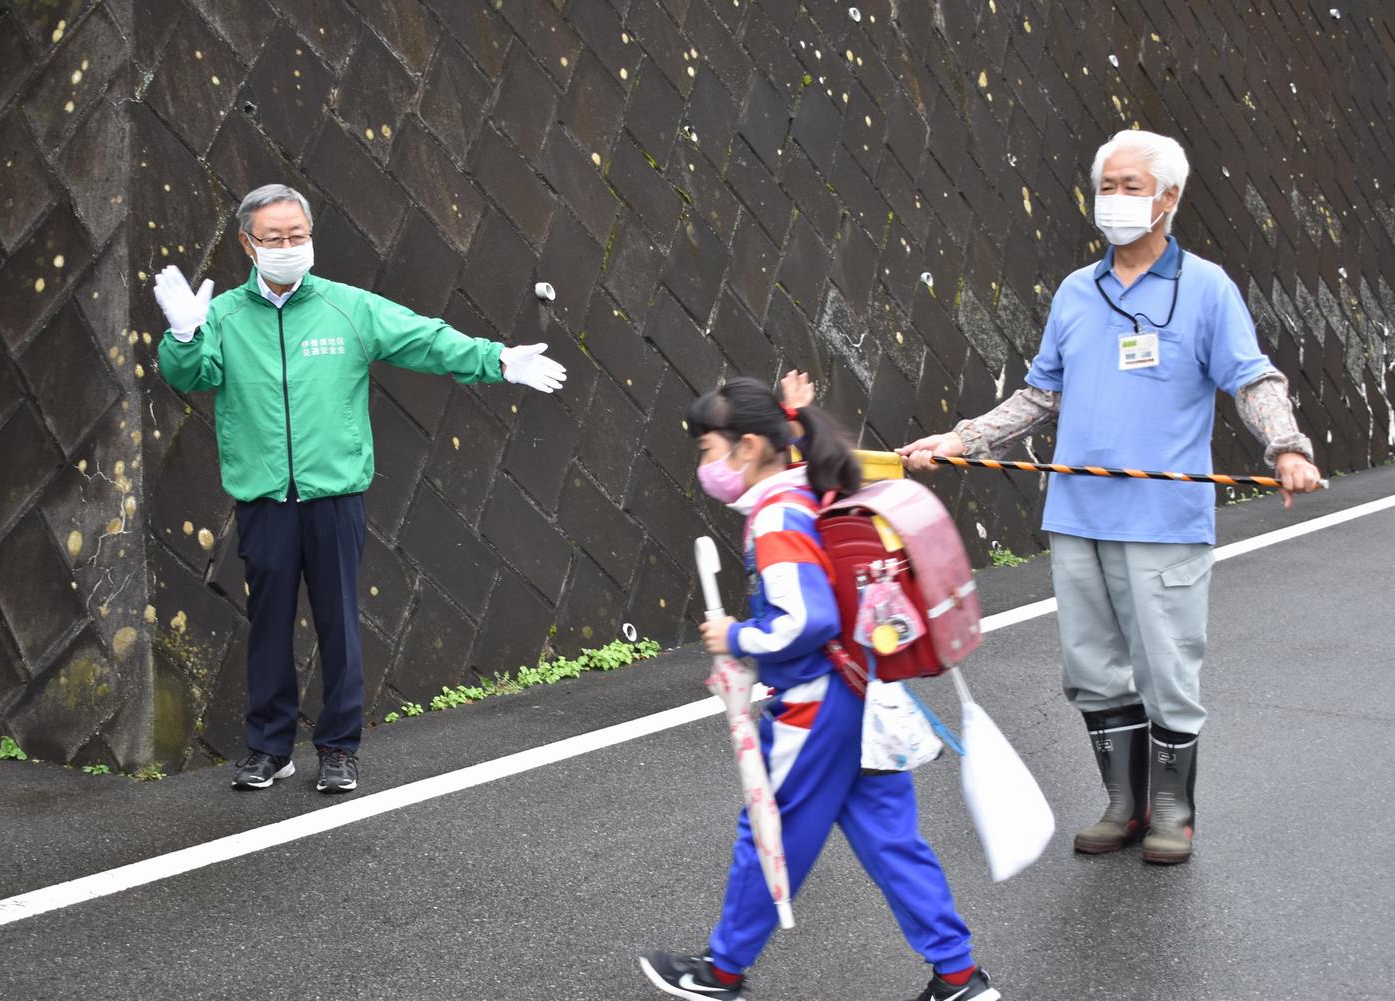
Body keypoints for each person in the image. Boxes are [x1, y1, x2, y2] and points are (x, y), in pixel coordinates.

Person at [901, 130, 1321, 864]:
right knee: (1091, 669)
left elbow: (1253, 380)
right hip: (1077, 514)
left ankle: (1171, 809)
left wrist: (1286, 445)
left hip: (1163, 522)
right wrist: (960, 440)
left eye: (1131, 185)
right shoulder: (1075, 291)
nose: (1114, 198)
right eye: (1107, 184)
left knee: (1167, 669)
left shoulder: (1207, 288)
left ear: (1169, 199)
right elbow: (1039, 396)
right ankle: (1123, 803)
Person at [153, 184, 566, 794]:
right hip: (263, 497)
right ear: (248, 243)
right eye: (274, 238)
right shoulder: (223, 316)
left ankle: (339, 748)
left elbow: (423, 338)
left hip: (335, 496)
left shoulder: (348, 308)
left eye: (298, 235)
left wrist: (498, 359)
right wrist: (185, 336)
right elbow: (191, 376)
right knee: (267, 625)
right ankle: (269, 749)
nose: (289, 246)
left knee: (339, 624)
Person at [640, 377, 999, 1001]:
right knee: (891, 841)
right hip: (864, 691)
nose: (705, 465)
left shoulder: (775, 516)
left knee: (769, 829)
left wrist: (738, 637)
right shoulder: (810, 487)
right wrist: (798, 410)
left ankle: (720, 971)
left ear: (748, 447)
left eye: (707, 449)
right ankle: (960, 977)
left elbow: (806, 619)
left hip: (815, 705)